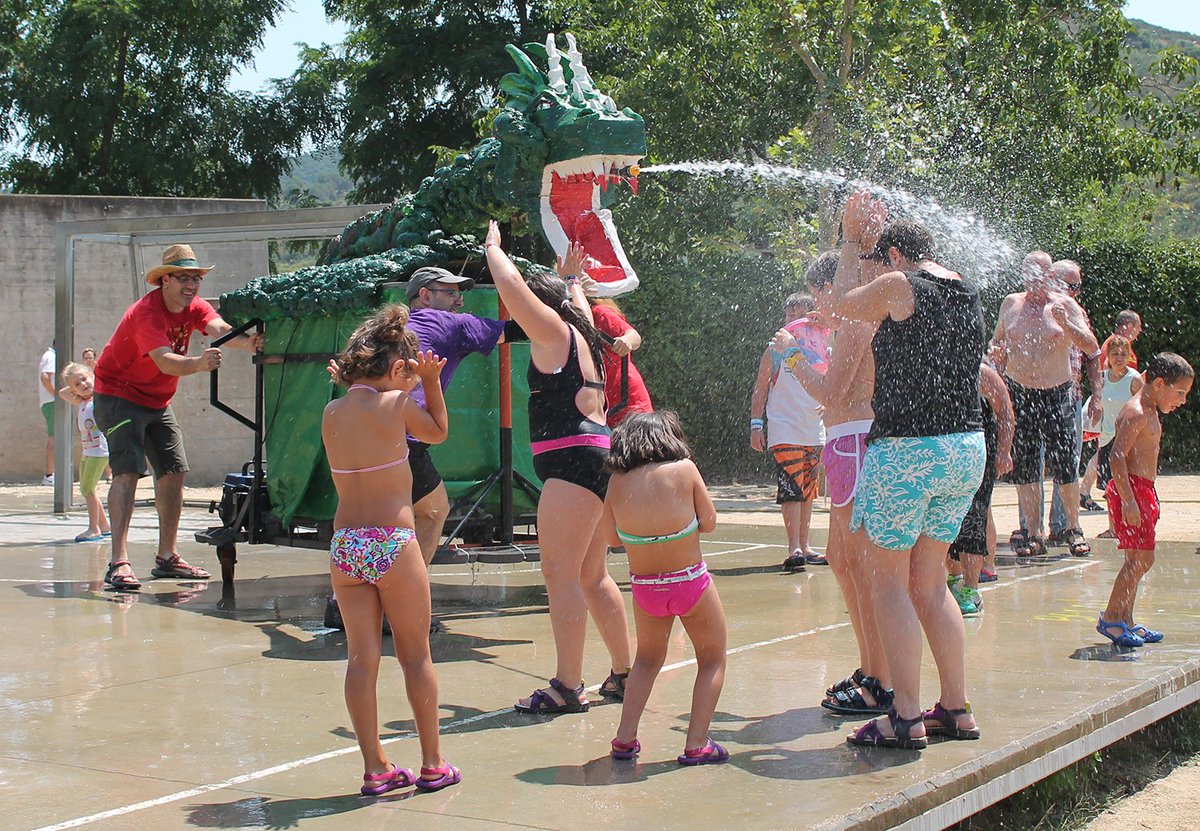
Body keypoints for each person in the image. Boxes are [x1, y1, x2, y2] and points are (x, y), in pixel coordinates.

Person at [833, 191, 986, 750]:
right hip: (965, 450)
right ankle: (955, 708)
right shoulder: (966, 289)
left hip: (908, 454)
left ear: (896, 254)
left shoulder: (900, 284)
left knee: (889, 583)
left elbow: (843, 304)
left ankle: (903, 716)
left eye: (882, 255)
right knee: (930, 582)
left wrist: (852, 239)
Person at [485, 221, 633, 713]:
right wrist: (569, 277)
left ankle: (568, 686)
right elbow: (577, 303)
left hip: (572, 461)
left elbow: (512, 287)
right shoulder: (580, 333)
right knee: (591, 574)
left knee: (560, 573)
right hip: (592, 457)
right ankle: (624, 674)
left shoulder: (552, 332)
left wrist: (493, 250)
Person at [322, 305, 460, 794]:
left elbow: (359, 407)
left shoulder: (332, 410)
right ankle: (432, 764)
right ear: (399, 369)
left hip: (346, 546)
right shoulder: (398, 405)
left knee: (361, 660)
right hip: (392, 543)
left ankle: (376, 768)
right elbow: (438, 432)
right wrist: (433, 384)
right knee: (415, 657)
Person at [92, 244, 262, 590]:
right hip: (118, 395)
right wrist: (200, 364)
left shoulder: (194, 306)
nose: (191, 285)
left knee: (174, 470)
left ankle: (166, 557)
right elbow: (166, 361)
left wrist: (250, 343)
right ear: (164, 280)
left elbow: (218, 328)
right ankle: (118, 562)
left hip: (156, 400)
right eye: (183, 278)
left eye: (196, 278)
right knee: (127, 471)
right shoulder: (146, 314)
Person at [771, 250, 892, 716]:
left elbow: (831, 390)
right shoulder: (856, 322)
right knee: (844, 560)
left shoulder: (860, 320)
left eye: (821, 291)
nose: (819, 303)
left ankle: (879, 676)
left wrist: (791, 354)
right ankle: (871, 670)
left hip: (852, 443)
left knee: (859, 564)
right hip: (847, 442)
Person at [602, 411, 728, 765]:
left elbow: (611, 538)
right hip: (690, 582)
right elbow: (710, 522)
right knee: (713, 658)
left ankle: (625, 738)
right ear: (669, 438)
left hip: (645, 589)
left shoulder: (616, 483)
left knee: (645, 660)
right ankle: (697, 743)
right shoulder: (685, 470)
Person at [993, 251, 1099, 559]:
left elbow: (1091, 346)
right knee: (1026, 467)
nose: (1034, 280)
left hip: (1057, 393)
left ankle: (1073, 528)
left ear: (1050, 275)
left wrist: (1067, 326)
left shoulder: (1065, 305)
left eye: (1039, 274)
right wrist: (997, 353)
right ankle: (1034, 533)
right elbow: (997, 341)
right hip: (1019, 393)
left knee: (1065, 465)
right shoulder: (1011, 303)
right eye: (1028, 274)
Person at [1096, 352, 1193, 648]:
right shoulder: (1137, 411)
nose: (1183, 401)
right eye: (1180, 393)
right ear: (1160, 383)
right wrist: (1128, 500)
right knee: (1142, 559)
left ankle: (1126, 620)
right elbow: (1116, 456)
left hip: (1141, 490)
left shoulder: (1149, 408)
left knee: (1136, 559)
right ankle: (1112, 618)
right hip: (1132, 491)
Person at [751, 292, 827, 571]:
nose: (792, 321)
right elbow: (761, 387)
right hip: (784, 427)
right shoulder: (774, 350)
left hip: (815, 430)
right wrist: (756, 424)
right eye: (788, 315)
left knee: (808, 489)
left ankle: (805, 546)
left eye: (799, 315)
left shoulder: (824, 347)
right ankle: (793, 546)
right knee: (791, 487)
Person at [946, 362, 1015, 616]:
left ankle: (971, 589)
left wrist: (1004, 452)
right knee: (943, 521)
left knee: (974, 518)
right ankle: (954, 578)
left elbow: (1006, 411)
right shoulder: (934, 363)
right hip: (945, 454)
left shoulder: (980, 371)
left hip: (978, 454)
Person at [1081, 335, 1143, 514]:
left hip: (1128, 438)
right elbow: (1097, 402)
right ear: (1108, 355)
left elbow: (1144, 409)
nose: (1119, 358)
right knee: (1110, 487)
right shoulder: (1102, 378)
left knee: (1128, 483)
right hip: (1106, 436)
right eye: (1115, 354)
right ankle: (1113, 528)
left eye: (1123, 354)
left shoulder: (1134, 379)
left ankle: (1131, 523)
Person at [58, 362, 111, 542]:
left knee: (88, 489)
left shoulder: (98, 399)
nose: (83, 385)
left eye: (84, 379)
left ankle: (93, 528)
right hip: (88, 451)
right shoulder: (81, 401)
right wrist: (74, 383)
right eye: (77, 384)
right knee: (88, 488)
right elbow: (61, 393)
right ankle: (104, 526)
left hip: (99, 451)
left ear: (92, 377)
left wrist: (90, 375)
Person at [38, 343, 56, 486]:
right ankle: (50, 475)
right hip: (52, 402)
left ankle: (52, 474)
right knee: (54, 438)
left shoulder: (50, 355)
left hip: (50, 402)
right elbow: (45, 377)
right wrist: (56, 395)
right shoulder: (51, 356)